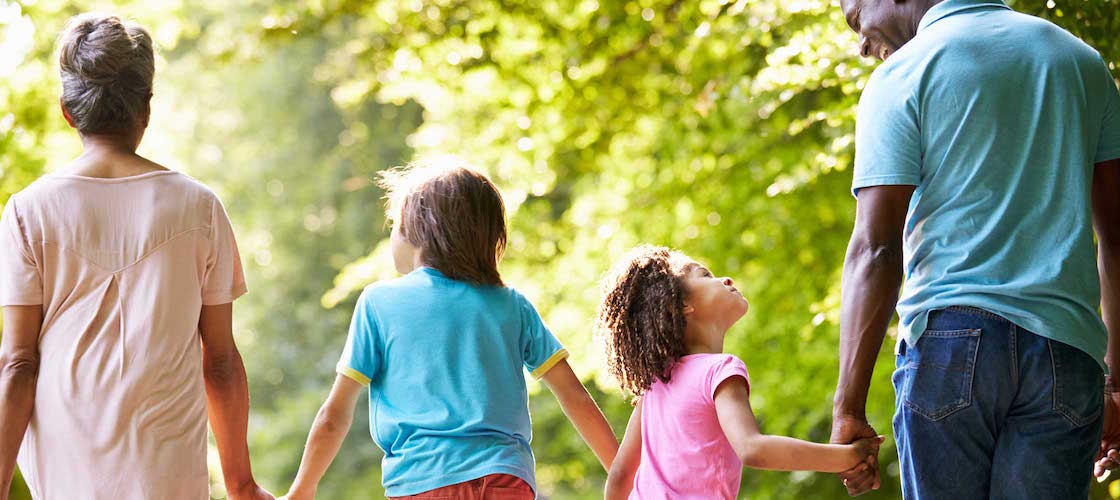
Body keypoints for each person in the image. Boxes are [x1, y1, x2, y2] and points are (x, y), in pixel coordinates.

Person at [831, 0, 1120, 497]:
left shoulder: (903, 74)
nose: (860, 43)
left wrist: (848, 409)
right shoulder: (1081, 62)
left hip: (950, 344)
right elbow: (1117, 238)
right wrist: (1116, 384)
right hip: (1066, 354)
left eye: (857, 17)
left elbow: (876, 250)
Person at [0, 13, 271, 500]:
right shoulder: (199, 208)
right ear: (146, 109)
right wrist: (242, 484)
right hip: (165, 463)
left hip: (66, 459)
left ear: (67, 111)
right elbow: (221, 363)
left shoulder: (28, 210)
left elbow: (19, 363)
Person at [283, 164, 619, 500]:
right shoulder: (512, 305)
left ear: (414, 231)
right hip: (505, 481)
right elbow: (575, 396)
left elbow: (334, 416)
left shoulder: (379, 303)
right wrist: (626, 479)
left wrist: (301, 490)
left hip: (423, 482)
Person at [598, 246, 882, 499]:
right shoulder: (719, 371)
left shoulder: (657, 384)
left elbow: (620, 477)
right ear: (683, 305)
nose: (726, 279)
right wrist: (848, 456)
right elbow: (752, 449)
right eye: (706, 275)